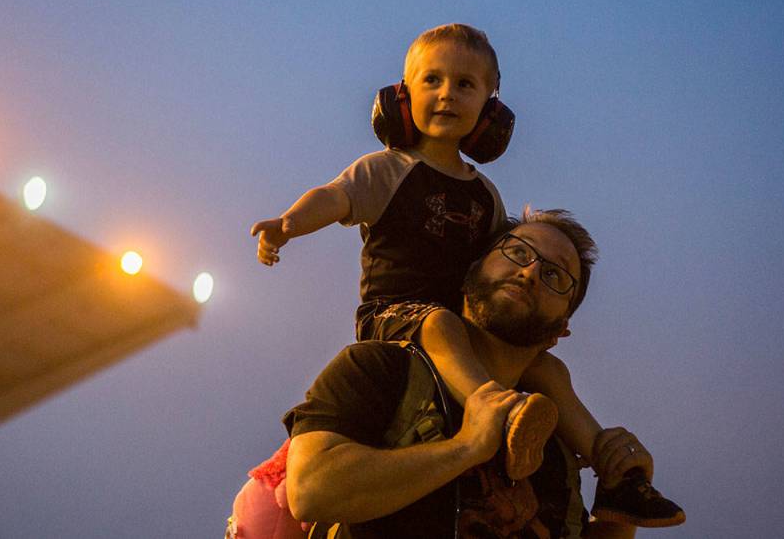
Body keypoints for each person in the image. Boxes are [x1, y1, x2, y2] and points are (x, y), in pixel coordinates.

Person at [249, 24, 680, 524]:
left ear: (490, 111)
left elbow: (500, 264)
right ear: (401, 97)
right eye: (432, 81)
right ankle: (496, 409)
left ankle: (617, 478)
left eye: (465, 85)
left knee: (547, 370)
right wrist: (289, 224)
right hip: (394, 318)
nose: (447, 94)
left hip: (455, 327)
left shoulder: (487, 196)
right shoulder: (388, 169)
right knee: (439, 323)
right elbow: (335, 196)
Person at [283, 208, 684, 538]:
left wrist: (620, 508)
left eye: (554, 275)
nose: (529, 273)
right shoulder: (382, 368)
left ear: (562, 328)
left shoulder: (554, 452)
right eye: (518, 253)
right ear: (471, 269)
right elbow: (312, 489)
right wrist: (467, 447)